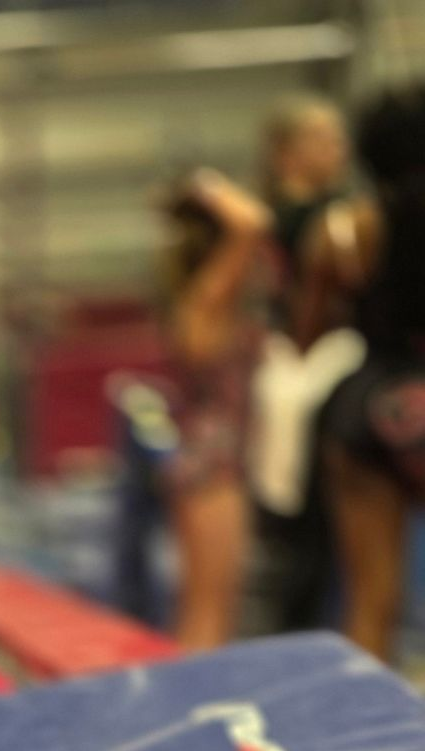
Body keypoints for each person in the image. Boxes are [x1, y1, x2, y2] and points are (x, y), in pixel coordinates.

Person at [311, 84, 425, 665]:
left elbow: (305, 333)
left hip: (369, 403)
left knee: (371, 601)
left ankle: (370, 747)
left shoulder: (347, 228)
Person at [250, 96, 363, 632]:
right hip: (302, 376)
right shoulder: (302, 221)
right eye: (323, 139)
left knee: (320, 532)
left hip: (311, 372)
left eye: (339, 139)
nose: (337, 151)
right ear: (285, 153)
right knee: (301, 529)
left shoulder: (331, 212)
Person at [158, 168, 272, 651]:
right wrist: (204, 186)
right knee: (210, 610)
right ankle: (196, 707)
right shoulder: (207, 300)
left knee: (210, 605)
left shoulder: (200, 302)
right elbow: (252, 223)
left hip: (210, 457)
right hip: (213, 462)